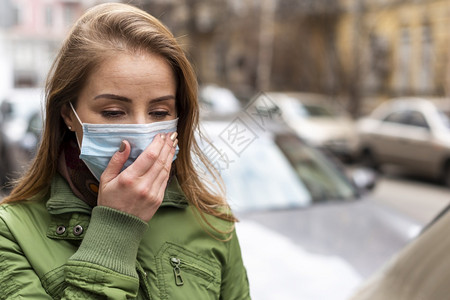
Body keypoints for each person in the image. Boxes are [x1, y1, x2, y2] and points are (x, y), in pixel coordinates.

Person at [0, 3, 250, 299]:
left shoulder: (212, 221)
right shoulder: (11, 234)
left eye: (159, 112)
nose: (142, 134)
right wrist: (115, 230)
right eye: (114, 112)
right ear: (68, 114)